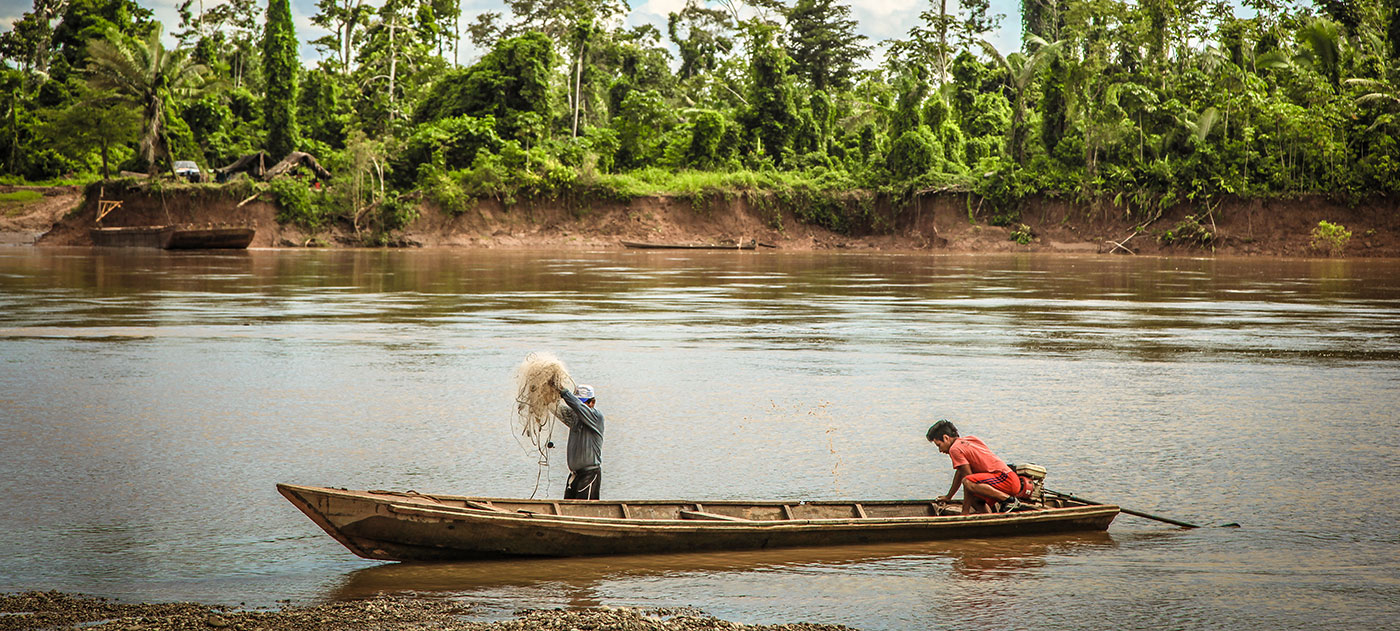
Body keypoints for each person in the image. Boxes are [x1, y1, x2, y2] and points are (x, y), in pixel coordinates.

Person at [926, 419, 1025, 514]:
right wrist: (949, 496)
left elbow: (968, 480)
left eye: (939, 445)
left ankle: (1009, 500)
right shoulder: (970, 439)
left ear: (946, 438)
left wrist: (965, 512)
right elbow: (961, 472)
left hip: (1006, 480)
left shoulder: (955, 449)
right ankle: (988, 517)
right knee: (974, 498)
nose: (940, 450)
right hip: (1009, 479)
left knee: (968, 482)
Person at [556, 384, 604, 500]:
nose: (577, 408)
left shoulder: (596, 417)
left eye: (583, 403)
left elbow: (578, 407)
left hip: (589, 475)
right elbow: (556, 408)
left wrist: (563, 391)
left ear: (592, 402)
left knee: (584, 512)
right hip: (574, 475)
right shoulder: (575, 418)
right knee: (567, 511)